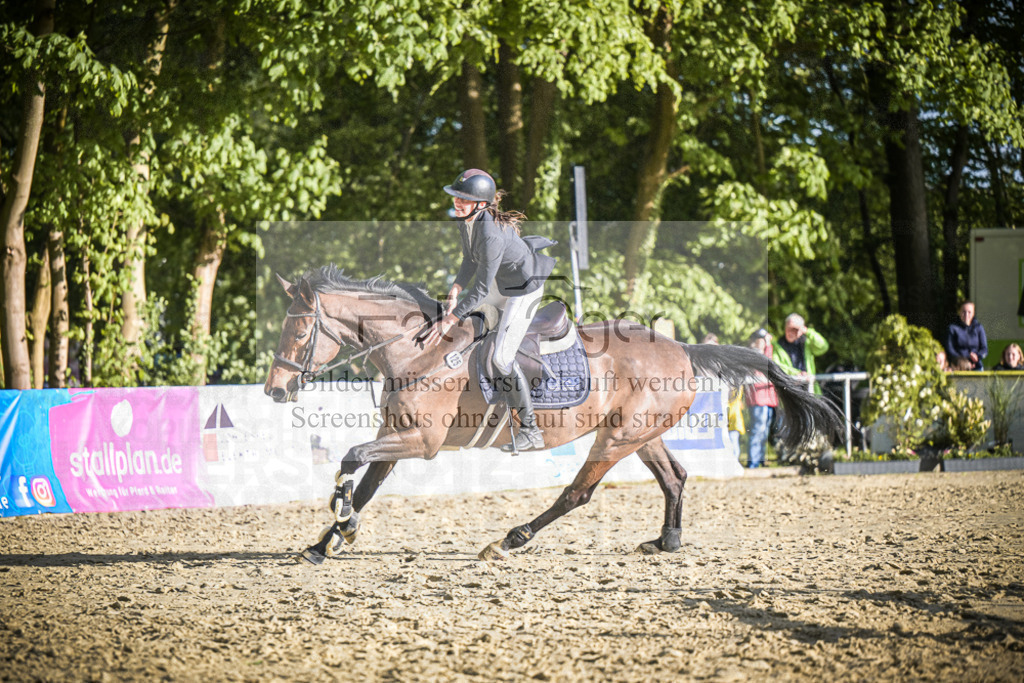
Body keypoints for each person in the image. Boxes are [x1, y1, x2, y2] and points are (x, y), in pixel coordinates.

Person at [424, 169, 556, 452]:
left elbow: (481, 291)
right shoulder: (467, 221)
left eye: (463, 199)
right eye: (456, 196)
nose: (457, 202)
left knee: (501, 357)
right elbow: (469, 260)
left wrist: (451, 317)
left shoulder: (491, 235)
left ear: (481, 204)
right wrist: (457, 287)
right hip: (501, 284)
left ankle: (531, 430)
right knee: (471, 327)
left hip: (524, 291)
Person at [745, 328, 778, 468]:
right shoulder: (753, 354)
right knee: (758, 429)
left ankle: (760, 460)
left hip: (768, 399)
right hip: (758, 399)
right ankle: (753, 461)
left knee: (764, 431)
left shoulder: (764, 353)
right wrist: (769, 346)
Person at [773, 313, 829, 394]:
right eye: (789, 329)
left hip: (809, 388)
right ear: (785, 328)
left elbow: (823, 347)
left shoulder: (806, 342)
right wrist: (797, 374)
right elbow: (777, 366)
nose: (791, 332)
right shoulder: (778, 345)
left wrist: (808, 331)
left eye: (795, 329)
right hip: (790, 390)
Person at [945, 300, 987, 371]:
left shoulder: (979, 328)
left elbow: (984, 349)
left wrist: (977, 357)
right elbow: (950, 349)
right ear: (959, 312)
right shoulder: (952, 328)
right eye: (963, 312)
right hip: (958, 366)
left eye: (969, 312)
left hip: (976, 365)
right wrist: (963, 361)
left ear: (973, 313)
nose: (966, 315)